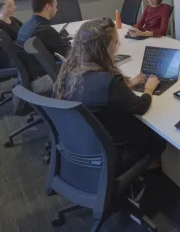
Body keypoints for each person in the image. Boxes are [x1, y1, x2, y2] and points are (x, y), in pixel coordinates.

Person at [53, 18, 166, 174]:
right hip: (116, 150)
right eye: (115, 42)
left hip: (83, 146)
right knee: (159, 136)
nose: (118, 46)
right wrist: (149, 88)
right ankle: (148, 166)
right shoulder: (108, 81)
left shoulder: (69, 69)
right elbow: (140, 106)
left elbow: (98, 92)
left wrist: (130, 83)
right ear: (103, 48)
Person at [17, 0, 71, 71]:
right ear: (47, 6)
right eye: (55, 6)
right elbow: (68, 52)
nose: (56, 9)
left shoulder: (27, 25)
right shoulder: (43, 29)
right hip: (49, 71)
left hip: (36, 67)